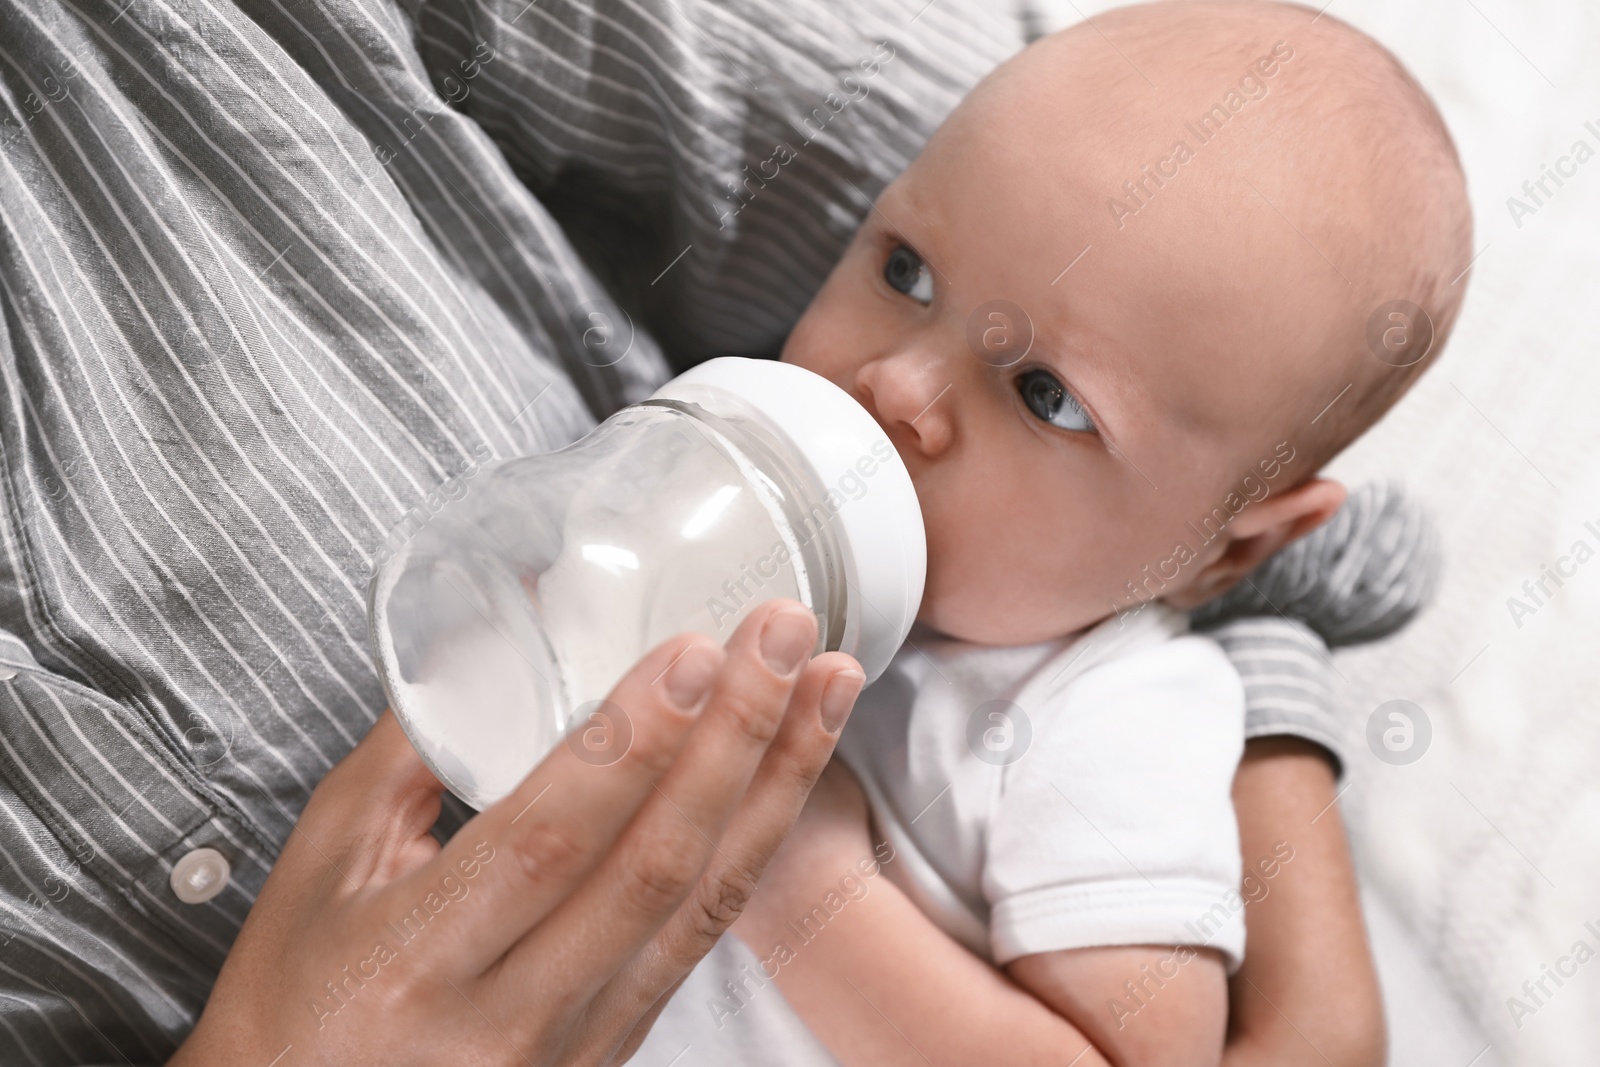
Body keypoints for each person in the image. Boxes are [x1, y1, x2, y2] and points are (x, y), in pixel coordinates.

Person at [0, 0, 1411, 1063]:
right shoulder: (750, 560)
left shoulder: (1111, 715)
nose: (898, 385)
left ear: (1223, 554)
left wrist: (796, 861)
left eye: (1046, 394)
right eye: (904, 268)